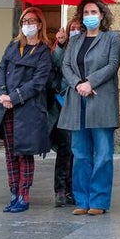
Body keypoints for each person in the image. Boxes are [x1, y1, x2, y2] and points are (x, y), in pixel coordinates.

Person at [0, 7, 52, 214]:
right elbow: (0, 71)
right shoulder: (13, 46)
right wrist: (2, 94)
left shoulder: (43, 51)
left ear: (40, 24)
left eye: (32, 21)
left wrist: (14, 98)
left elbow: (38, 82)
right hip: (6, 108)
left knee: (24, 153)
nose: (28, 25)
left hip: (28, 110)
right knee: (10, 153)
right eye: (24, 21)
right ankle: (13, 192)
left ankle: (24, 194)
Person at [59, 0, 120, 216]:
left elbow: (113, 65)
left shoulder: (112, 38)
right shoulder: (75, 40)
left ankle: (99, 200)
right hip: (77, 102)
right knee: (81, 154)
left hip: (101, 101)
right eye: (85, 13)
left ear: (102, 15)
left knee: (103, 154)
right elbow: (66, 65)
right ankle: (82, 199)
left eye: (93, 12)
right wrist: (78, 84)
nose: (89, 16)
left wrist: (90, 82)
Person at [48, 17, 79, 208]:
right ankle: (61, 189)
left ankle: (74, 188)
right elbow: (56, 67)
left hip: (81, 104)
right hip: (62, 105)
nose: (75, 31)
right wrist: (60, 44)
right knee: (65, 148)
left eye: (78, 28)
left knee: (79, 151)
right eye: (72, 28)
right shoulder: (62, 48)